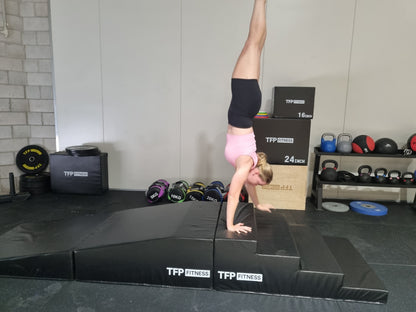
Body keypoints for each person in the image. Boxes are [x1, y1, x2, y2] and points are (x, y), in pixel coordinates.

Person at [224, 0, 273, 234]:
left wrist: (258, 203)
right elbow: (234, 194)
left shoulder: (251, 166)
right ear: (255, 173)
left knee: (256, 44)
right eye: (259, 181)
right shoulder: (245, 165)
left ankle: (261, 2)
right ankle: (260, 2)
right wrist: (230, 225)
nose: (255, 186)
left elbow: (248, 188)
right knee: (253, 42)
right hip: (244, 101)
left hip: (248, 104)